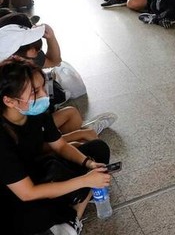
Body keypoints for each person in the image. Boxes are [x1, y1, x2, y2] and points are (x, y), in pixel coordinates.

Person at [0, 57, 112, 235]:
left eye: (43, 86)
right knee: (35, 214)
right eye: (35, 91)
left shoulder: (36, 111)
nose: (44, 95)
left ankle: (70, 215)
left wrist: (87, 164)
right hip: (16, 192)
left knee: (98, 149)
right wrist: (84, 180)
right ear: (10, 101)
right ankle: (73, 213)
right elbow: (27, 193)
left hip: (38, 170)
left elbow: (60, 146)